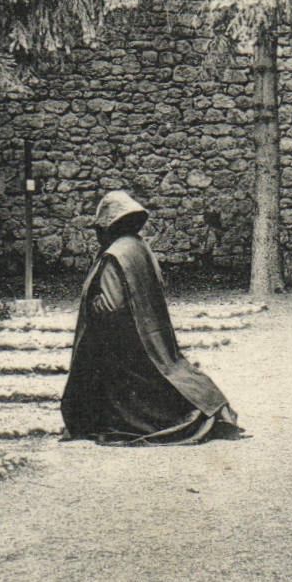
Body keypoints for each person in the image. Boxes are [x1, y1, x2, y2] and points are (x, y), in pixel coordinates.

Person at [60, 191, 243, 445]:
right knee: (173, 370)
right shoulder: (140, 247)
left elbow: (111, 306)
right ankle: (208, 405)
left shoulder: (115, 255)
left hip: (127, 345)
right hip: (152, 334)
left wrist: (94, 304)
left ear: (108, 226)